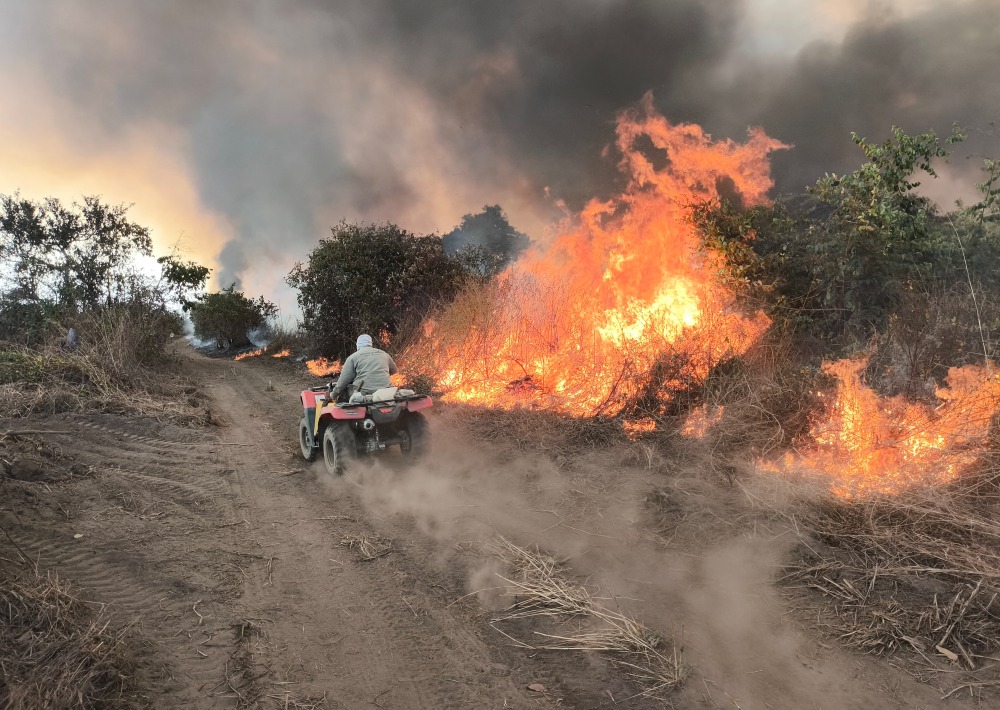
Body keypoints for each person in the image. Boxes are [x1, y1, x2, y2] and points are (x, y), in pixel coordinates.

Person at [331, 334, 398, 400]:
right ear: (371, 344)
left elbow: (343, 381)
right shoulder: (384, 354)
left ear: (357, 345)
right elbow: (394, 371)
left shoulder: (353, 357)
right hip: (387, 391)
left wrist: (333, 395)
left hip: (364, 393)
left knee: (344, 392)